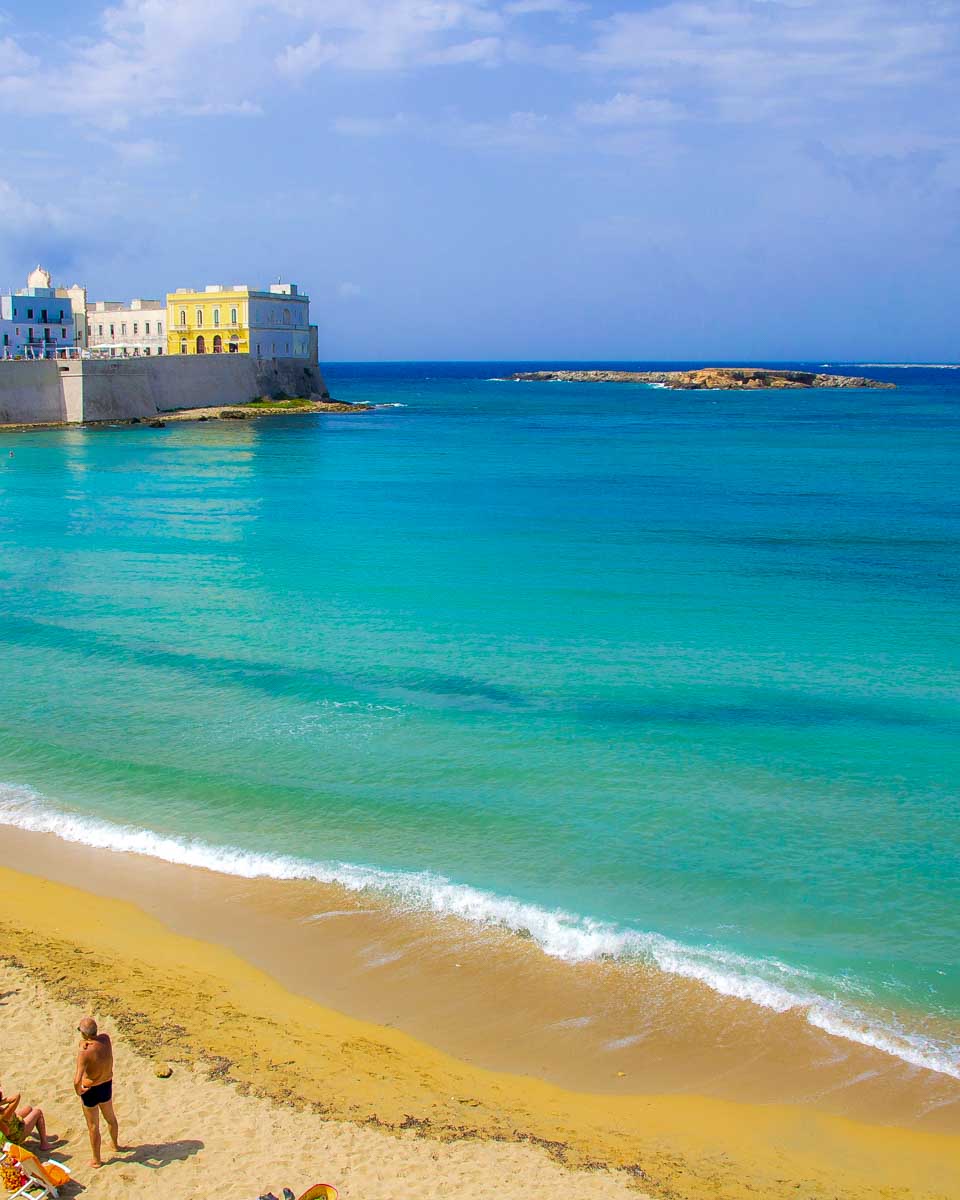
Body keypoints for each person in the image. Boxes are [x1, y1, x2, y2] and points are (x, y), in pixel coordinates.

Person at [74, 1017, 123, 1167]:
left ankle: (96, 1159)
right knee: (110, 1118)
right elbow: (93, 1042)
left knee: (93, 1126)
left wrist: (78, 1090)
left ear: (83, 1034)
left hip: (91, 1089)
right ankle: (115, 1145)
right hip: (106, 1084)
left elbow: (77, 1079)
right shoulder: (105, 1040)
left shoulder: (85, 1053)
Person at [0, 1083, 54, 1151]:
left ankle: (33, 1128)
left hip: (11, 1126)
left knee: (29, 1108)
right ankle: (44, 1143)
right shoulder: (4, 1114)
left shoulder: (3, 1113)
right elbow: (16, 1096)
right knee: (38, 1112)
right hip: (17, 1135)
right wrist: (2, 1102)